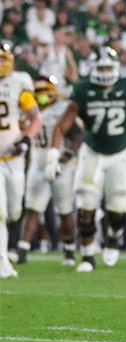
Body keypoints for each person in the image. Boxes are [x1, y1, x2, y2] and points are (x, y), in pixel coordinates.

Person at [48, 46, 126, 273]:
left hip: (120, 154)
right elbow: (61, 126)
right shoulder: (83, 90)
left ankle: (114, 236)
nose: (106, 72)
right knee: (86, 205)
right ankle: (88, 256)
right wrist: (52, 157)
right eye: (102, 68)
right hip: (92, 153)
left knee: (118, 209)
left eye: (109, 67)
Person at [16, 75, 78, 266]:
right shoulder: (27, 112)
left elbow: (76, 136)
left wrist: (64, 158)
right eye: (39, 92)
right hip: (37, 163)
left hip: (61, 165)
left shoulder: (61, 110)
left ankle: (68, 249)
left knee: (64, 209)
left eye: (45, 92)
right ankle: (23, 249)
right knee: (33, 208)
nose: (42, 96)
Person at [0, 42, 40, 278]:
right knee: (1, 212)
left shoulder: (19, 85)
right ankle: (3, 260)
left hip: (14, 157)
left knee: (15, 211)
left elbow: (35, 118)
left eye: (4, 59)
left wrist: (25, 139)